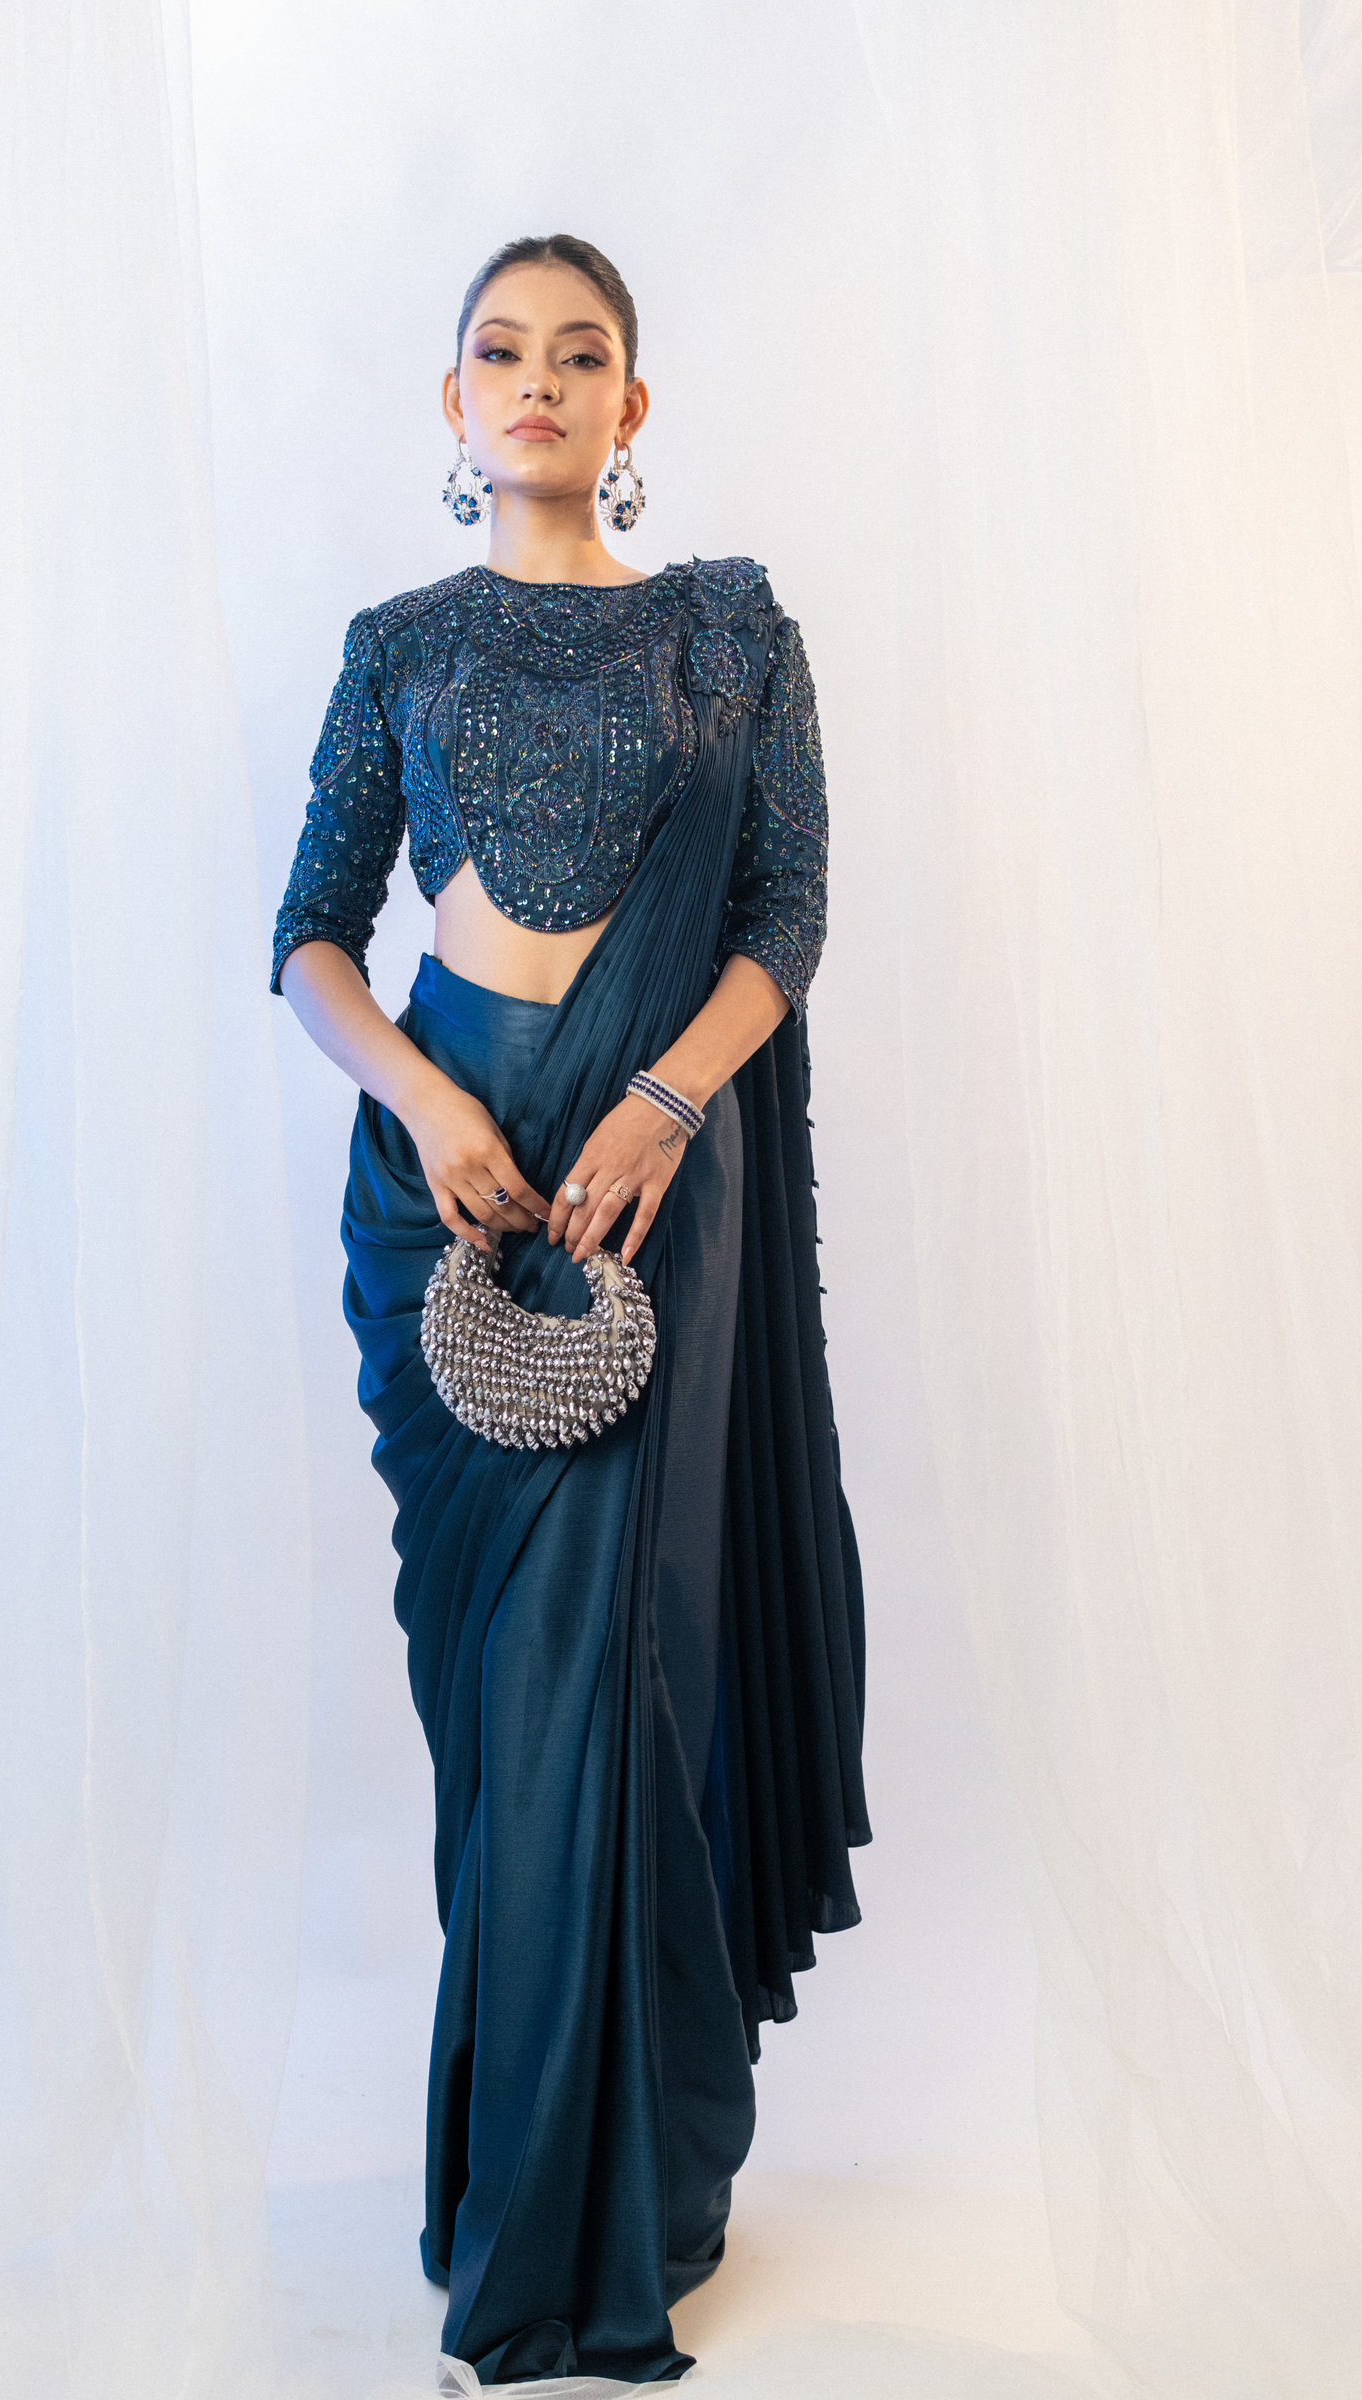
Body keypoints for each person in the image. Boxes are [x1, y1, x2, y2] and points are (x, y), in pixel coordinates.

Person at [272, 233, 869, 2393]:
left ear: (633, 403)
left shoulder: (727, 633)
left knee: (607, 1684)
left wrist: (664, 1098)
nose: (539, 378)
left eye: (580, 351)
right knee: (496, 1707)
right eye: (501, 351)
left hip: (642, 1192)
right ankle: (523, 2178)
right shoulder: (399, 646)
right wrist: (425, 1100)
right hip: (447, 1185)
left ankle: (593, 2205)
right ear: (455, 405)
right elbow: (310, 932)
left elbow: (785, 909)